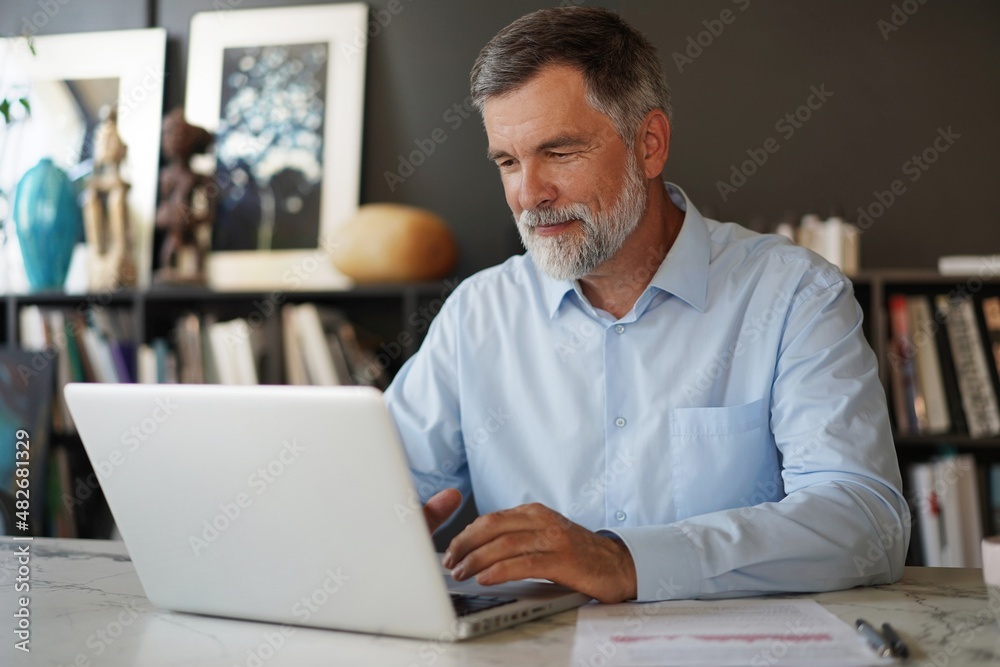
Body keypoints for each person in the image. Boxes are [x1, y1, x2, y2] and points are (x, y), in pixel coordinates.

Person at [385, 6, 908, 603]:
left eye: (559, 152)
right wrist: (368, 521)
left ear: (650, 144)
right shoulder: (476, 315)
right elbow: (373, 483)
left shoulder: (793, 295)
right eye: (508, 161)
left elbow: (866, 522)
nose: (529, 194)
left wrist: (624, 560)